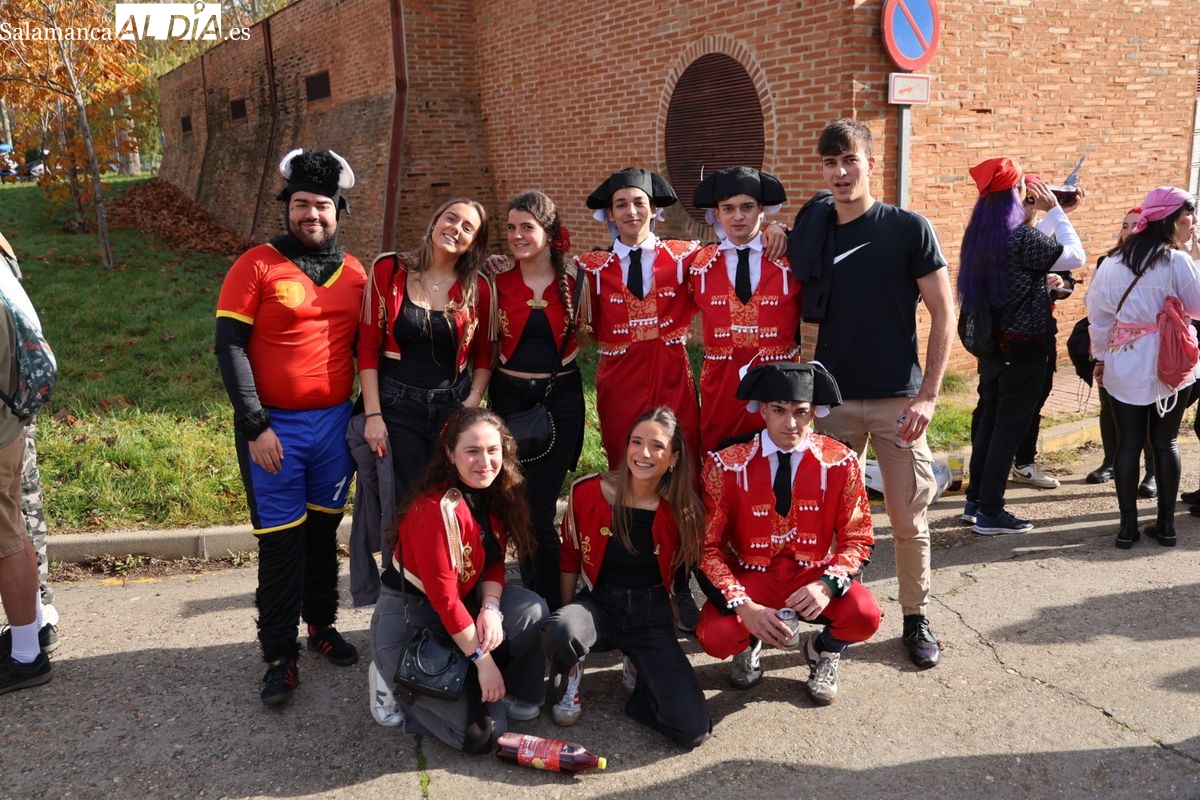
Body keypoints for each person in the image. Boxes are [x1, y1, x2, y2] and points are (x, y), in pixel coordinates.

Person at [786, 118, 952, 669]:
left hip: (896, 403)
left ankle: (914, 616)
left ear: (871, 163)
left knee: (907, 519)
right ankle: (841, 610)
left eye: (849, 160)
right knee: (832, 523)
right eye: (829, 163)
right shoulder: (812, 232)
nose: (838, 173)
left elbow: (944, 312)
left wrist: (927, 396)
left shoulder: (907, 228)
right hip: (830, 404)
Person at [215, 148, 366, 705]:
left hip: (333, 428)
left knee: (324, 535)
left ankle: (321, 626)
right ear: (287, 207)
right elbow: (229, 347)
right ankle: (279, 654)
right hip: (272, 429)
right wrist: (255, 425)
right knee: (281, 544)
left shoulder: (356, 272)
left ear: (338, 210)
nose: (312, 215)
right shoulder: (254, 264)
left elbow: (370, 348)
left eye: (322, 206)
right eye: (301, 204)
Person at [696, 362, 880, 705]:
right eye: (779, 410)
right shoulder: (726, 462)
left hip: (812, 572)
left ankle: (823, 650)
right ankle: (751, 641)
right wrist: (746, 608)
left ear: (814, 413)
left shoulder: (840, 461)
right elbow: (707, 549)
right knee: (716, 635)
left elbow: (858, 536)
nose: (790, 423)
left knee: (865, 615)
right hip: (751, 576)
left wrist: (827, 585)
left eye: (801, 412)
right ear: (762, 410)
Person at [368, 407, 548, 753]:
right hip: (414, 619)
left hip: (461, 608)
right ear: (450, 454)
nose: (485, 461)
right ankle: (394, 683)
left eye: (493, 450)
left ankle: (485, 681)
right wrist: (483, 660)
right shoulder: (432, 509)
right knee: (482, 736)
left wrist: (492, 609)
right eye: (472, 451)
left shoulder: (495, 494)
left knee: (532, 610)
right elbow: (444, 600)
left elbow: (494, 564)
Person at [542, 407, 711, 748]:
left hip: (651, 616)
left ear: (674, 457)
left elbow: (682, 573)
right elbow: (570, 557)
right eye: (636, 442)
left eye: (657, 446)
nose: (643, 453)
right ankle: (572, 671)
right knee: (561, 629)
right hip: (600, 604)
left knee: (693, 730)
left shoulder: (684, 510)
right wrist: (569, 612)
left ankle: (637, 666)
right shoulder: (586, 492)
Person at [356, 198, 494, 507]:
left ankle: (452, 557)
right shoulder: (389, 269)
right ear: (435, 221)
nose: (455, 229)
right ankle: (410, 558)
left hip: (452, 406)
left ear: (473, 243)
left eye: (467, 227)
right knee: (409, 501)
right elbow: (367, 346)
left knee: (453, 499)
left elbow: (485, 354)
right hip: (396, 406)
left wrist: (471, 401)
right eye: (451, 218)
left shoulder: (478, 287)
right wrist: (373, 414)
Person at [958, 158, 1070, 536]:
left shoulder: (980, 236)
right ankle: (991, 511)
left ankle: (976, 502)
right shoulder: (1021, 238)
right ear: (1014, 196)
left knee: (990, 423)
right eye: (1022, 190)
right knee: (1008, 429)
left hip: (993, 348)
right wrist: (1055, 213)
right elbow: (1074, 255)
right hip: (1024, 349)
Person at [1087, 187, 1200, 549]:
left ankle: (1127, 528)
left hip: (1125, 358)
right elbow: (1198, 309)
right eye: (1185, 217)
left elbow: (1099, 318)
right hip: (1170, 360)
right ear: (1168, 220)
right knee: (1165, 441)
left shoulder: (1112, 263)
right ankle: (1166, 525)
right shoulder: (1176, 261)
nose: (1189, 224)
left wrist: (1101, 357)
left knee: (1127, 443)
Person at [489, 191, 585, 612]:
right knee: (517, 503)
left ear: (549, 232)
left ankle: (551, 605)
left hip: (560, 400)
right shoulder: (494, 281)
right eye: (510, 227)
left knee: (540, 507)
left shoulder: (578, 281)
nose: (516, 235)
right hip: (507, 401)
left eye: (526, 226)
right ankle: (532, 598)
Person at [689, 166, 802, 454]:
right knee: (720, 457)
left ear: (763, 209)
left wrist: (779, 229)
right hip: (721, 386)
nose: (738, 216)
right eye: (728, 208)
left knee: (779, 458)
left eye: (747, 207)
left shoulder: (790, 255)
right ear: (716, 213)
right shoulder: (698, 263)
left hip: (777, 382)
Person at [1004, 173, 1087, 492]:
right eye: (1028, 198)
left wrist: (1058, 285)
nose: (1032, 205)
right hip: (1020, 337)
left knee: (1035, 400)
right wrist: (1058, 213)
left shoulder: (1026, 232)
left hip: (1036, 329)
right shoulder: (1014, 234)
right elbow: (1074, 256)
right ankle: (1013, 465)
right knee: (1012, 405)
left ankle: (1022, 462)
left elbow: (1062, 272)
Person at [0, 231, 57, 658]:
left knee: (10, 530)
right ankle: (35, 622)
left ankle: (27, 640)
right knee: (21, 513)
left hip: (6, 414)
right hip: (15, 408)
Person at [1080, 208, 1155, 491]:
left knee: (1149, 413)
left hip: (1147, 350)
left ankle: (1152, 473)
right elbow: (1095, 306)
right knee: (1109, 406)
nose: (1129, 230)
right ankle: (1109, 461)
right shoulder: (1107, 262)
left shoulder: (1158, 263)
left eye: (1136, 224)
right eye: (1125, 225)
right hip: (1112, 347)